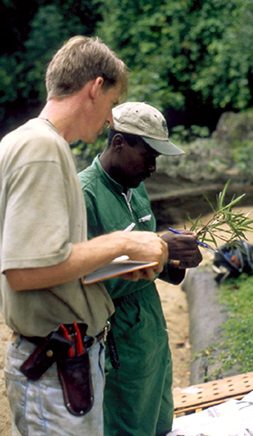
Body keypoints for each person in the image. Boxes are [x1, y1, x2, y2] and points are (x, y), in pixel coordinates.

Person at [0, 37, 168, 436]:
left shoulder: (23, 141)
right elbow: (23, 271)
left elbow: (47, 261)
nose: (110, 120)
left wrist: (112, 267)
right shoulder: (42, 148)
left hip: (62, 364)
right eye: (111, 104)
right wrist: (123, 243)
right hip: (55, 369)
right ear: (94, 88)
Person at [78, 101, 202, 436]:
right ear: (118, 143)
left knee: (159, 424)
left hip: (150, 336)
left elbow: (155, 264)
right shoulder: (83, 196)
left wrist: (177, 262)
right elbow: (84, 279)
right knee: (127, 425)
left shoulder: (135, 187)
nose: (153, 168)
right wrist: (159, 251)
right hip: (117, 345)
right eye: (148, 156)